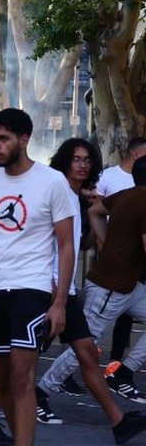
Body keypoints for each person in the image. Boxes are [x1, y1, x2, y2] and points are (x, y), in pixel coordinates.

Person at [0, 139, 146, 446]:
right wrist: (56, 296)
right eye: (76, 159)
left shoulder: (73, 196)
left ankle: (119, 423)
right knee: (22, 364)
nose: (82, 165)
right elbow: (48, 244)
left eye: (87, 160)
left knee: (87, 355)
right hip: (48, 292)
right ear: (64, 161)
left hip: (63, 292)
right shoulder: (57, 192)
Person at [0, 108, 76, 446]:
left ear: (24, 140)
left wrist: (59, 303)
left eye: (3, 139)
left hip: (32, 290)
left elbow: (67, 246)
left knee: (23, 377)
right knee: (5, 382)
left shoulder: (52, 181)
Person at [95, 137, 146, 373]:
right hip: (113, 278)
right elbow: (95, 209)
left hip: (129, 277)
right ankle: (43, 390)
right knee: (84, 341)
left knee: (85, 339)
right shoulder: (132, 193)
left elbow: (95, 209)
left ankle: (121, 372)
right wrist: (104, 243)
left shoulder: (129, 194)